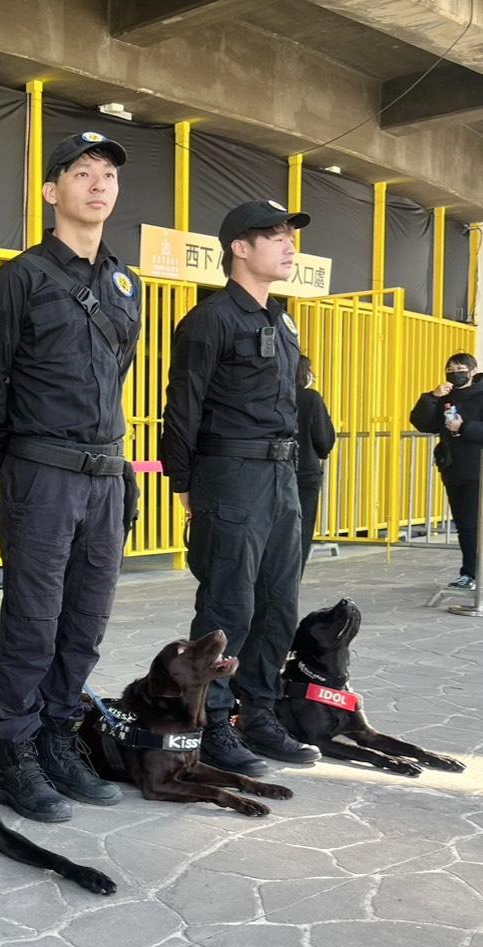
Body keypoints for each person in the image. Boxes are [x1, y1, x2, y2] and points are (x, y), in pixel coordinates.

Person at [0, 132, 141, 823]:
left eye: (107, 177)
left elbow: (115, 375)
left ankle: (58, 736)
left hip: (104, 473)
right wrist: (19, 465)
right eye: (81, 174)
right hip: (42, 474)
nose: (97, 186)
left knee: (85, 623)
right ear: (51, 191)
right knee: (33, 623)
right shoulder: (21, 278)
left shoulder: (125, 282)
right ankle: (15, 754)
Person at [159, 200, 322, 776]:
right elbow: (182, 406)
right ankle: (212, 722)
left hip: (282, 476)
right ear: (240, 248)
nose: (288, 245)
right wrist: (184, 481)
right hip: (231, 474)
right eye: (274, 236)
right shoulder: (211, 319)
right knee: (230, 603)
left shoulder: (280, 318)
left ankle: (257, 713)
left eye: (289, 236)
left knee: (280, 602)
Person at [409, 352, 483, 589]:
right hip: (452, 467)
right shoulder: (445, 396)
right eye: (450, 368)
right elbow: (422, 422)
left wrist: (465, 427)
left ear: (472, 371)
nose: (454, 372)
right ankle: (470, 573)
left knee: (472, 524)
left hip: (477, 467)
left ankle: (472, 574)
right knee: (463, 524)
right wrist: (431, 397)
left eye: (460, 368)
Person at [295, 355, 335, 574]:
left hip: (266, 474)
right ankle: (289, 588)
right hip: (304, 474)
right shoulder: (310, 398)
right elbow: (324, 440)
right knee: (300, 532)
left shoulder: (267, 395)